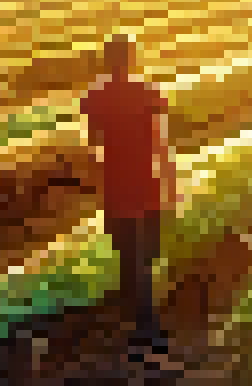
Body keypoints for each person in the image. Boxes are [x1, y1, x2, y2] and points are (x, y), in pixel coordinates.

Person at [80, 33, 179, 350]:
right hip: (147, 182)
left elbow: (93, 145)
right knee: (145, 256)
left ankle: (139, 322)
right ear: (132, 59)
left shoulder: (94, 98)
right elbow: (161, 143)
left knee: (128, 255)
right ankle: (148, 326)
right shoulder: (149, 93)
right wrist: (171, 184)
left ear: (106, 61)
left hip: (115, 184)